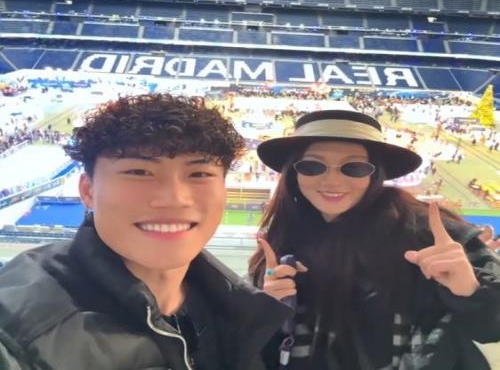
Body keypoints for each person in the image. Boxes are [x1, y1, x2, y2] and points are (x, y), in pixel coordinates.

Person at [0, 93, 290, 370]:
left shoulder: (240, 310)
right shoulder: (16, 332)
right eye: (138, 172)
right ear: (88, 191)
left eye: (199, 174)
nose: (174, 199)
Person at [249, 109, 500, 370]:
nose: (332, 180)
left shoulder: (431, 234)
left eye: (354, 168)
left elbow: (492, 328)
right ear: (294, 173)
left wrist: (471, 290)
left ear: (375, 174)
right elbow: (262, 346)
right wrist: (268, 308)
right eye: (312, 166)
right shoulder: (283, 239)